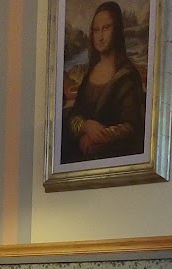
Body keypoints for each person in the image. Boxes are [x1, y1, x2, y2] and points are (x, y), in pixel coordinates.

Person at [60, 1, 146, 164]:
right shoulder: (89, 74)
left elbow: (132, 126)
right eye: (96, 30)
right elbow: (74, 116)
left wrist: (100, 137)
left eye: (106, 28)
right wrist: (86, 126)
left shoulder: (128, 75)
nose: (100, 37)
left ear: (117, 30)